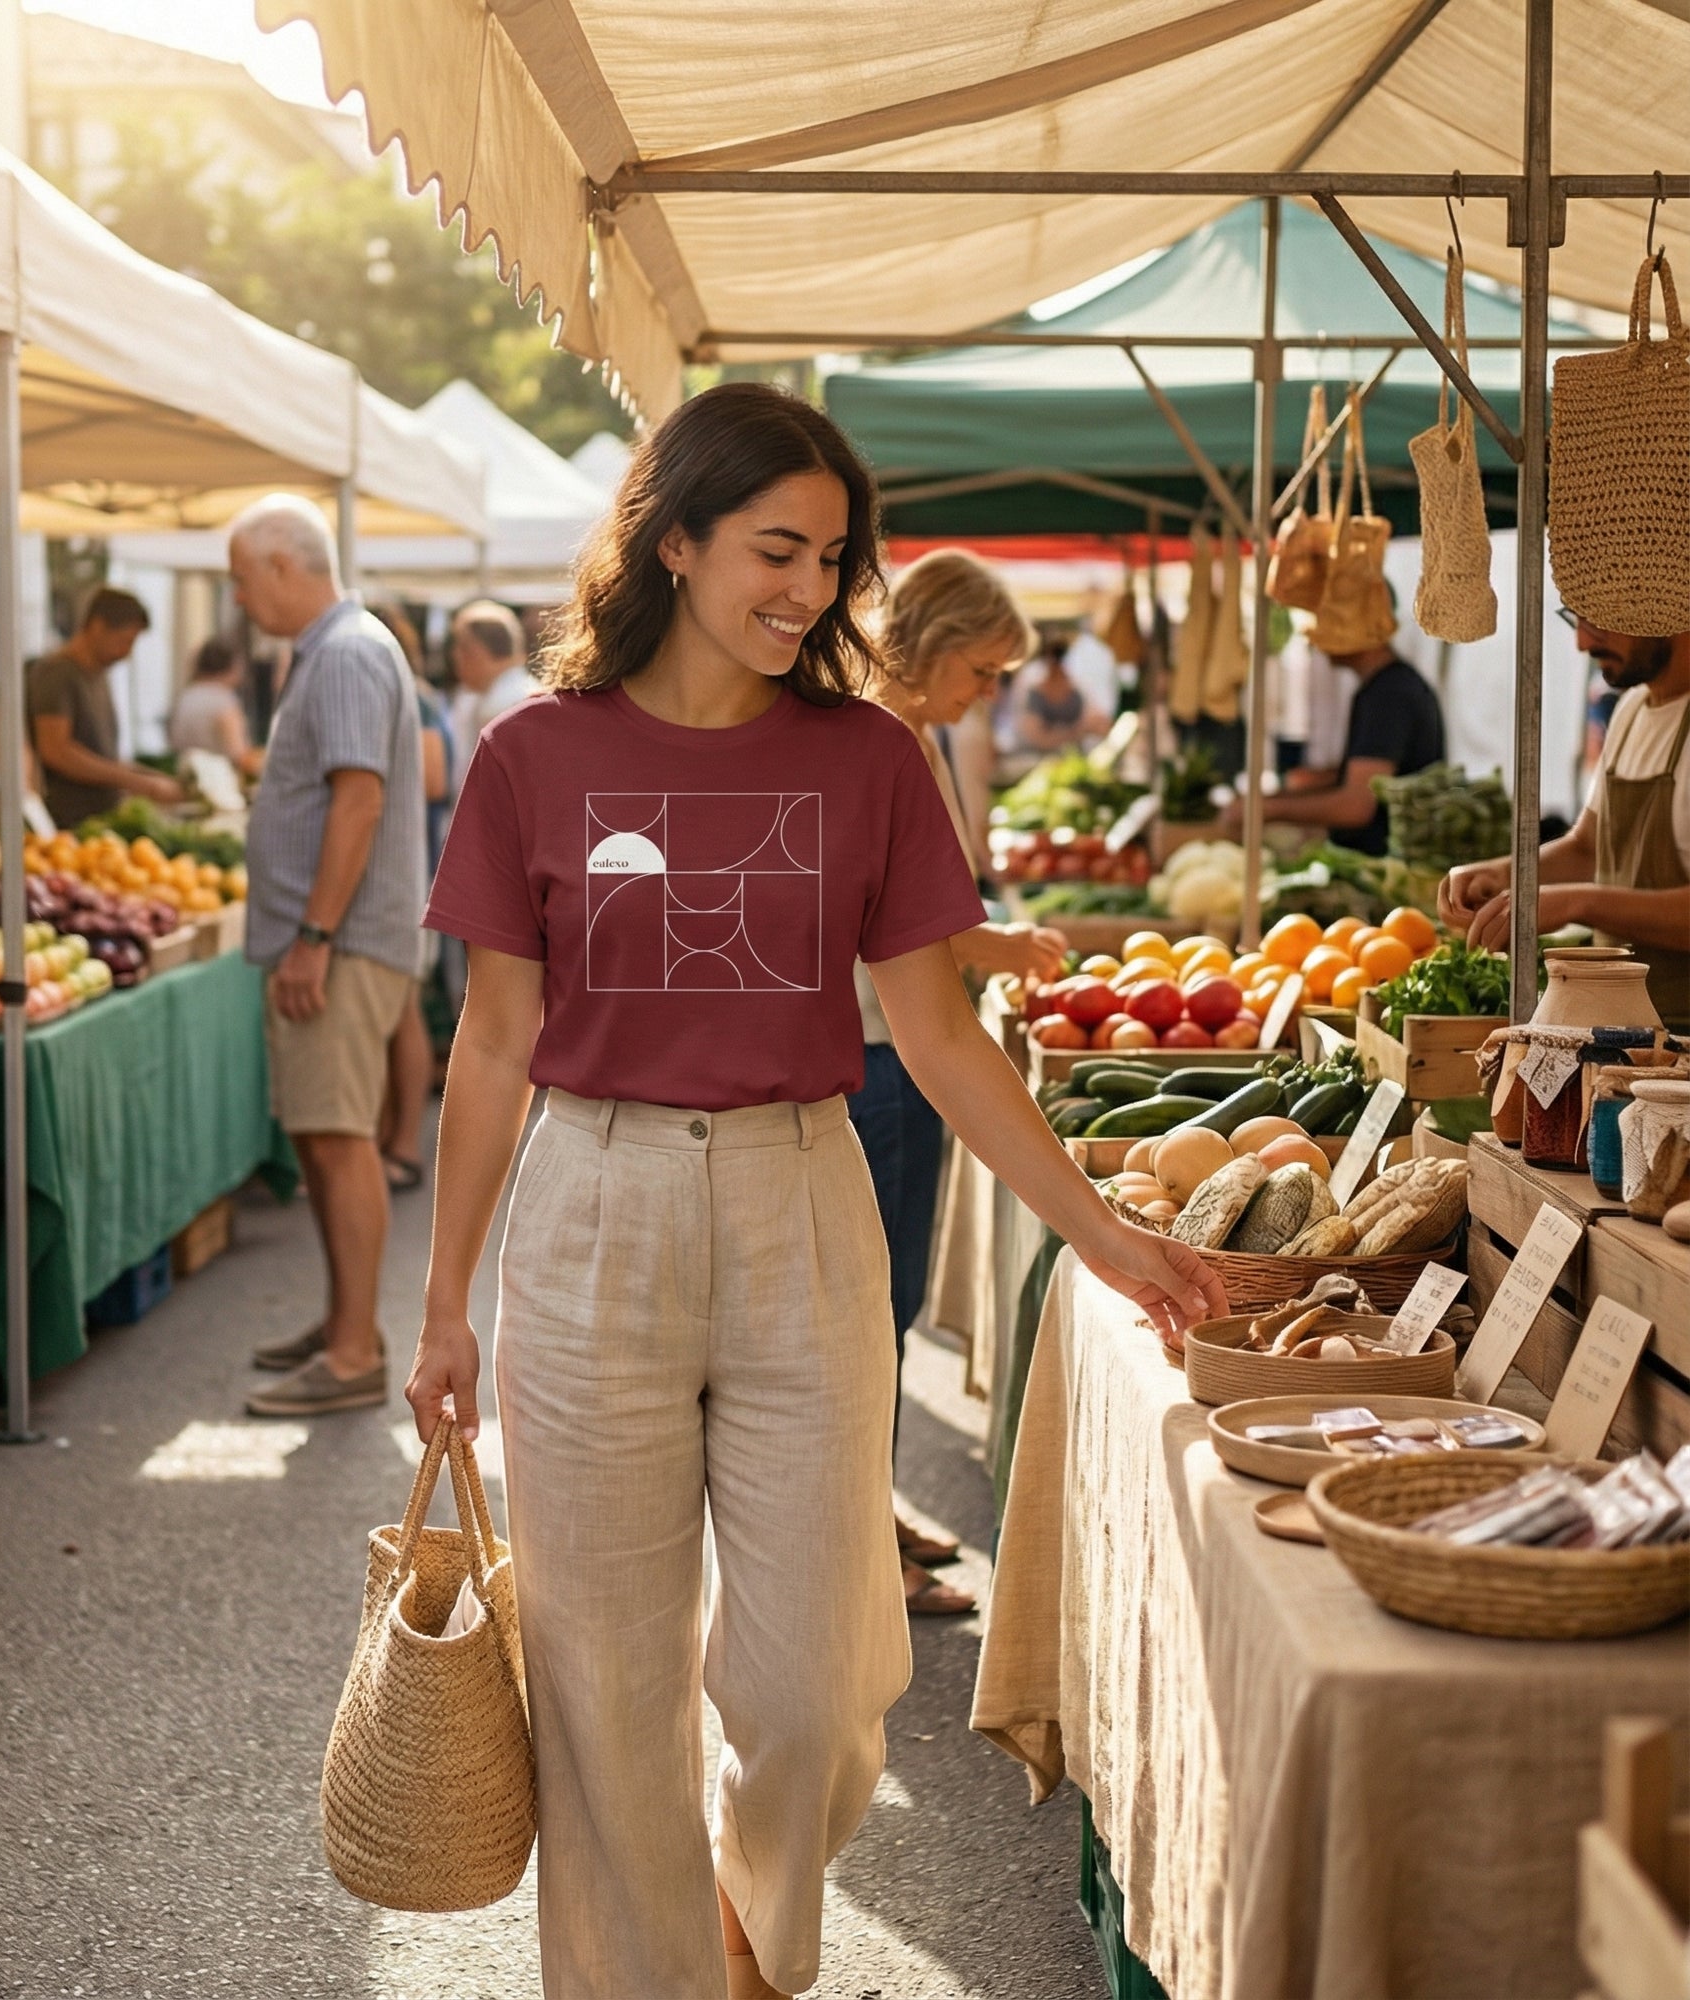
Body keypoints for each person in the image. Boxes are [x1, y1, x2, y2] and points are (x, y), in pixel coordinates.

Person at [413, 383, 1226, 2000]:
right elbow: (492, 1046)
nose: (807, 590)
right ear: (675, 537)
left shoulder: (871, 760)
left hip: (803, 1202)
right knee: (602, 1687)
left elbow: (936, 1032)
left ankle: (748, 1924)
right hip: (589, 1209)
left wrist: (1107, 1239)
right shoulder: (533, 755)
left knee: (814, 1696)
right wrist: (441, 1309)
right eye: (775, 549)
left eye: (833, 559)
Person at [854, 548, 1067, 1619]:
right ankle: (859, 1549)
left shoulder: (907, 729)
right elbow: (899, 918)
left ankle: (871, 1510)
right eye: (981, 670)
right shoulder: (883, 732)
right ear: (932, 644)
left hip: (889, 1043)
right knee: (870, 1307)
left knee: (878, 1306)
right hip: (877, 1048)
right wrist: (999, 944)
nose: (987, 693)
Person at [228, 497, 426, 1417]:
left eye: (239, 577)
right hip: (339, 942)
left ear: (281, 565)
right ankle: (348, 1325)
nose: (238, 597)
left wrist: (312, 937)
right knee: (324, 1138)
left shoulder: (343, 651)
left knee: (341, 1145)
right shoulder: (345, 647)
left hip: (337, 947)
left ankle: (352, 1353)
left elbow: (358, 802)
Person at [1440, 615, 1690, 1030]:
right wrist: (1504, 875)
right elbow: (1588, 847)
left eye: (1600, 621)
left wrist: (1578, 902)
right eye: (1576, 619)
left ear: (1669, 609)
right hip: (1623, 1033)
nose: (1580, 642)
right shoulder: (1630, 711)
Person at [372, 601, 453, 1194]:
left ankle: (403, 1146)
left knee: (402, 1012)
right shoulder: (409, 695)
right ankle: (388, 1141)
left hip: (411, 873)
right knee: (394, 1012)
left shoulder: (415, 697)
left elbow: (433, 779)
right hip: (403, 872)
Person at [1237, 638, 1445, 854]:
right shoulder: (1386, 685)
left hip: (1383, 864)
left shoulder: (1390, 694)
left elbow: (1356, 805)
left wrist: (1262, 809)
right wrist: (1317, 781)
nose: (1316, 639)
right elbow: (1377, 775)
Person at [26, 585, 183, 826]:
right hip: (70, 823)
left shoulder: (97, 675)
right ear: (98, 627)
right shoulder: (57, 674)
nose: (127, 653)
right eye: (124, 641)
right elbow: (56, 750)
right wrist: (135, 782)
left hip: (101, 820)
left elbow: (100, 755)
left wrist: (146, 776)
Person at [447, 597, 535, 755]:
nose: (454, 655)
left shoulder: (504, 704)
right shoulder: (474, 698)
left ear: (476, 651)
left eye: (460, 646)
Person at [169, 636, 263, 777]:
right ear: (233, 665)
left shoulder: (186, 697)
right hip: (219, 781)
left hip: (187, 777)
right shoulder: (223, 700)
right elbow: (238, 753)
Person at [1015, 631, 1109, 755]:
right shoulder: (1033, 686)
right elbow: (1034, 735)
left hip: (1074, 755)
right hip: (1040, 756)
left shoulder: (1078, 687)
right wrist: (1074, 733)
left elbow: (1100, 723)